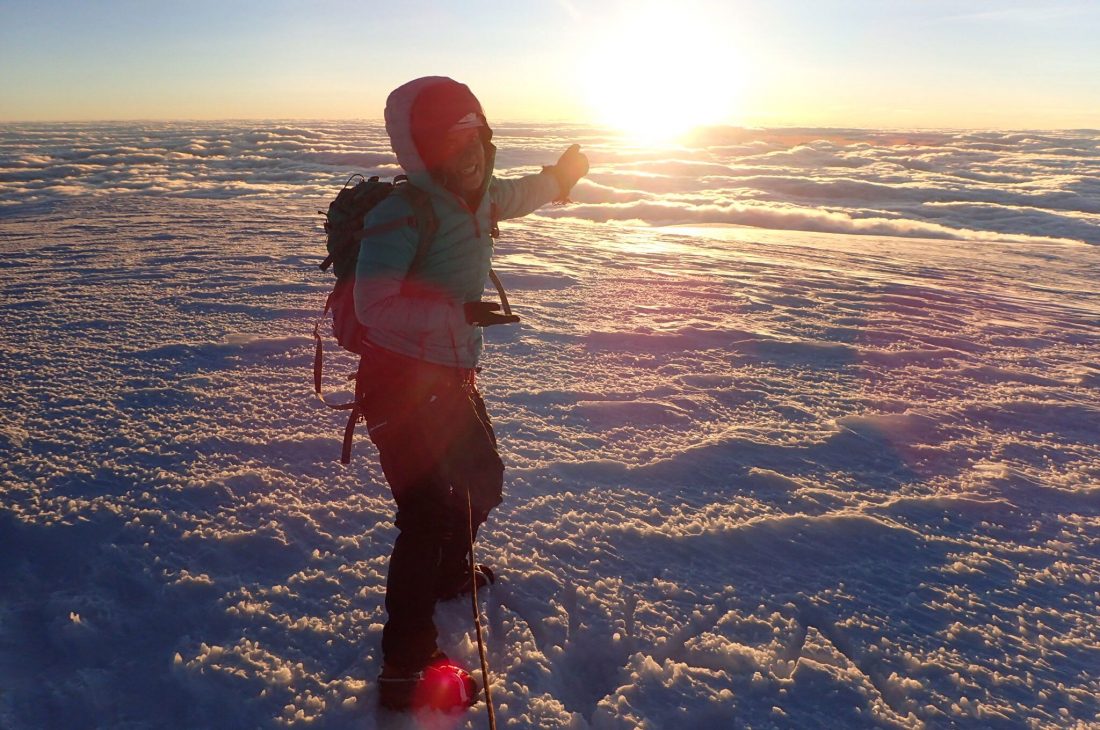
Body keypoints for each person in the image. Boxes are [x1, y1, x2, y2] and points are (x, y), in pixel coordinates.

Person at [353, 76, 589, 711]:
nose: (472, 153)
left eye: (477, 138)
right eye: (454, 142)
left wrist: (563, 176)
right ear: (427, 152)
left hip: (451, 379)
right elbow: (371, 306)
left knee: (483, 481)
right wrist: (460, 314)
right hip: (397, 384)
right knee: (426, 512)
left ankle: (451, 573)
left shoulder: (480, 198)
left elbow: (524, 193)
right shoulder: (402, 213)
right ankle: (405, 667)